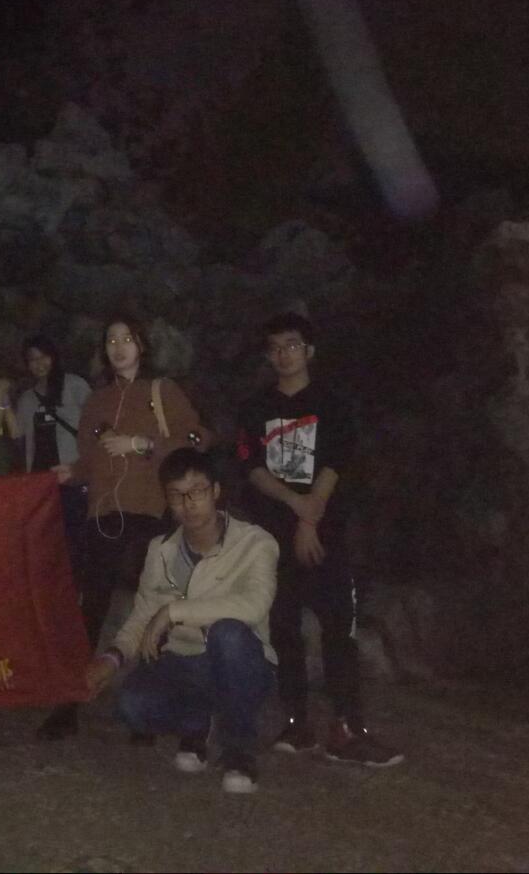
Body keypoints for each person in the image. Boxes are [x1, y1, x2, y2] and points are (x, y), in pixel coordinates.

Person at [237, 311, 403, 767]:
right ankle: (296, 720)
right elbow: (252, 468)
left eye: (292, 345)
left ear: (309, 350)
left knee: (337, 627)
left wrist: (310, 518)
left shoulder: (332, 403)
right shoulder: (256, 408)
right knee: (284, 627)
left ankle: (347, 725)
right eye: (275, 348)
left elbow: (336, 460)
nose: (283, 355)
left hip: (325, 533)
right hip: (274, 535)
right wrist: (296, 506)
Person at [38, 315, 212, 739]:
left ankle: (147, 706)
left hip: (150, 513)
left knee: (151, 605)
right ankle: (70, 702)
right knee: (90, 609)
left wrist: (142, 444)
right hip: (102, 515)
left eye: (127, 339)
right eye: (111, 340)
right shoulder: (97, 401)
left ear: (142, 346)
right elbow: (90, 460)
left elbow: (198, 439)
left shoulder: (161, 391)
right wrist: (72, 472)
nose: (118, 347)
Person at [85, 448, 278, 794]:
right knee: (132, 706)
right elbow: (143, 614)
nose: (188, 504)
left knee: (228, 633)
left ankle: (238, 749)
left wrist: (174, 612)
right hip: (184, 662)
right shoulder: (161, 550)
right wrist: (111, 658)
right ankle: (198, 724)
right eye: (177, 496)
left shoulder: (255, 543)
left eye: (197, 492)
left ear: (215, 491)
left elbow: (254, 605)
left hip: (242, 662)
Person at [12, 335, 91, 571]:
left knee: (77, 537)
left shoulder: (75, 385)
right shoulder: (27, 399)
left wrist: (86, 465)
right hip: (41, 482)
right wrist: (2, 401)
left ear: (53, 356)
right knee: (48, 542)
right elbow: (18, 435)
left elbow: (95, 424)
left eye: (43, 356)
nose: (39, 363)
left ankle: (81, 585)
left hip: (72, 474)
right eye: (32, 359)